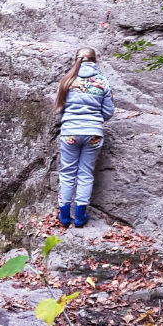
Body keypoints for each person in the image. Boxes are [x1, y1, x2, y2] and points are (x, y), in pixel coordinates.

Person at [54, 48, 114, 229]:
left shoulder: (67, 80)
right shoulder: (102, 82)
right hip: (93, 133)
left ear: (76, 60)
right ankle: (80, 217)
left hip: (70, 133)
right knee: (85, 174)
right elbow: (108, 112)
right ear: (95, 61)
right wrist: (94, 120)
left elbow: (60, 108)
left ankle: (64, 216)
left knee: (67, 173)